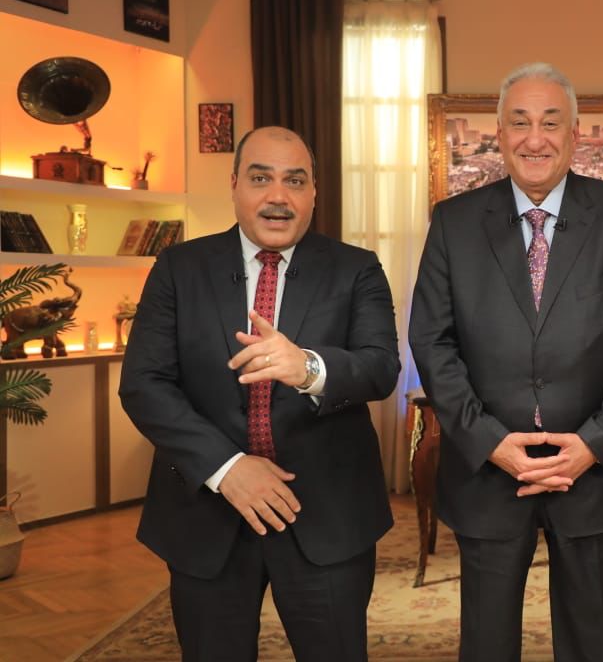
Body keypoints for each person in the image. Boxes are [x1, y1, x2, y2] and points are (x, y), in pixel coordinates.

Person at [409, 62, 603, 662]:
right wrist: (489, 441)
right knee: (487, 644)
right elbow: (432, 340)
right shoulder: (453, 222)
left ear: (574, 134)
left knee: (592, 642)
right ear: (499, 134)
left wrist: (595, 442)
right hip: (489, 473)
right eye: (520, 122)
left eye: (551, 123)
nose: (535, 138)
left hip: (592, 472)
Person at [119, 126, 400, 662]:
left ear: (314, 192)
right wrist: (227, 468)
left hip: (327, 516)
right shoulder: (178, 267)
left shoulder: (357, 268)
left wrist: (307, 367)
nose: (278, 196)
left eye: (295, 181)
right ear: (234, 185)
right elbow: (144, 384)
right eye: (260, 178)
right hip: (207, 513)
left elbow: (381, 368)